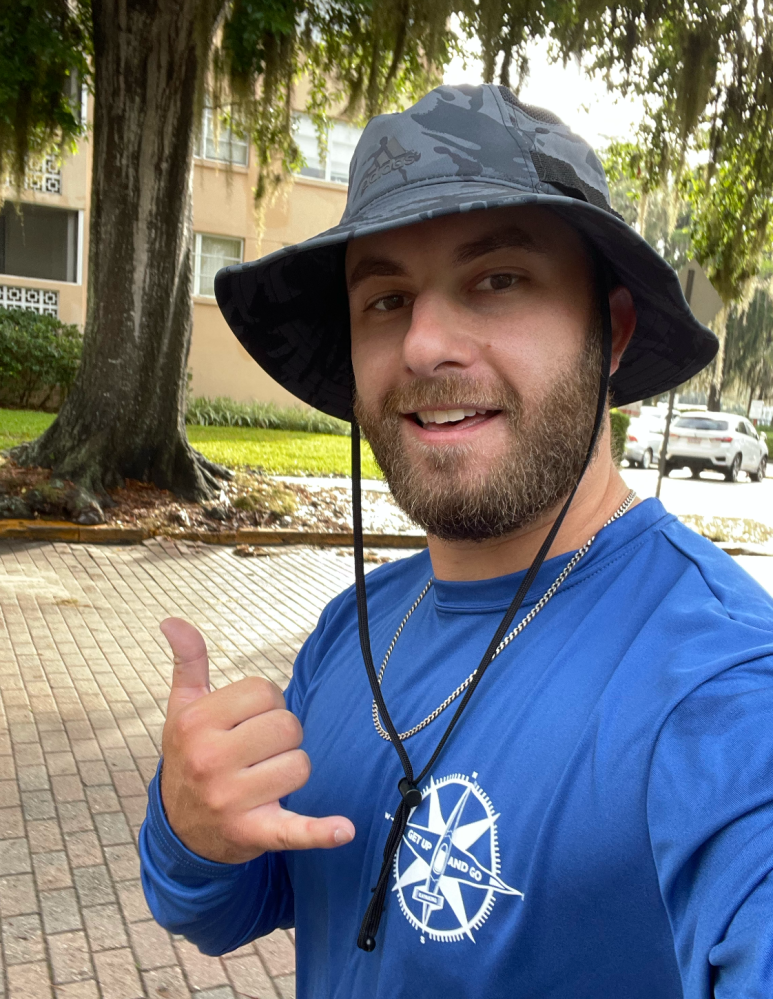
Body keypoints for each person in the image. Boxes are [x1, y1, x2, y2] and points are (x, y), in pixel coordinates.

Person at [140, 84, 773, 998]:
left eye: (498, 279)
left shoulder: (719, 684)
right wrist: (188, 825)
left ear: (613, 333)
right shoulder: (349, 631)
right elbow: (227, 908)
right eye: (385, 299)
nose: (424, 342)